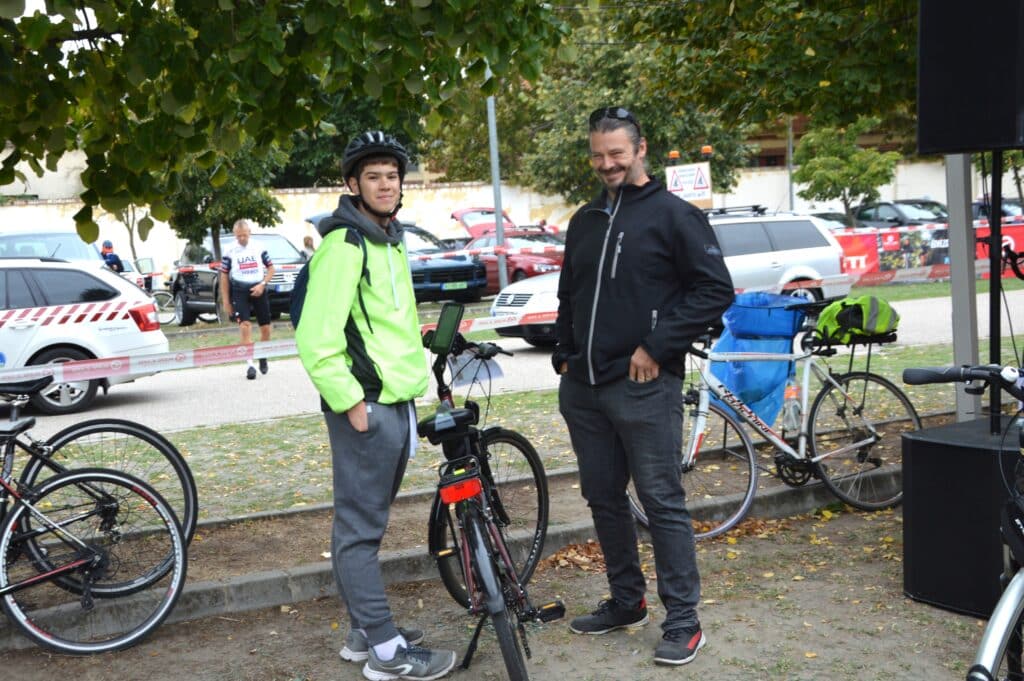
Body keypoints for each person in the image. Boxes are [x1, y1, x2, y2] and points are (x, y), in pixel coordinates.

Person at [552, 106, 735, 666]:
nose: (607, 163)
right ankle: (626, 601)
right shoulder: (585, 220)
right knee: (603, 498)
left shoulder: (675, 216)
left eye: (616, 153)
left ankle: (683, 621)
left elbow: (714, 290)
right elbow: (569, 294)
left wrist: (656, 347)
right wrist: (563, 353)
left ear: (640, 149)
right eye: (598, 154)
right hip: (584, 390)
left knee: (661, 502)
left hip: (643, 386)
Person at [294, 131, 457, 681]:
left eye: (392, 175)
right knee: (359, 531)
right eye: (373, 177)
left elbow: (381, 322)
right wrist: (350, 402)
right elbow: (317, 337)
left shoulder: (390, 240)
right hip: (366, 407)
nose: (385, 185)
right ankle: (388, 655)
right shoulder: (345, 245)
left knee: (367, 523)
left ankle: (364, 634)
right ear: (353, 184)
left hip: (396, 402)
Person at [220, 219, 274, 380]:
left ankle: (262, 356)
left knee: (266, 328)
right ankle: (250, 365)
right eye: (238, 236)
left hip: (258, 288)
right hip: (239, 289)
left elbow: (271, 269)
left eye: (244, 235)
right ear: (234, 235)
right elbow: (224, 276)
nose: (242, 239)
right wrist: (226, 301)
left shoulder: (259, 246)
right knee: (245, 326)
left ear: (249, 232)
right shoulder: (229, 249)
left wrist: (262, 285)